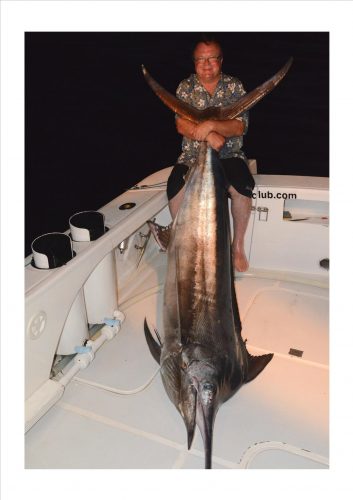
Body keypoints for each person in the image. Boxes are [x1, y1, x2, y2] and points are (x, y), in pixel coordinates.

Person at [149, 36, 254, 272]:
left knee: (243, 189)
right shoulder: (185, 88)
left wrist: (209, 125)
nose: (206, 64)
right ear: (194, 62)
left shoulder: (235, 86)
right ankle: (183, 244)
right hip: (192, 156)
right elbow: (181, 126)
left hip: (229, 154)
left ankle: (237, 246)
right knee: (175, 187)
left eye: (212, 58)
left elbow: (239, 126)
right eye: (200, 59)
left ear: (221, 60)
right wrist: (209, 134)